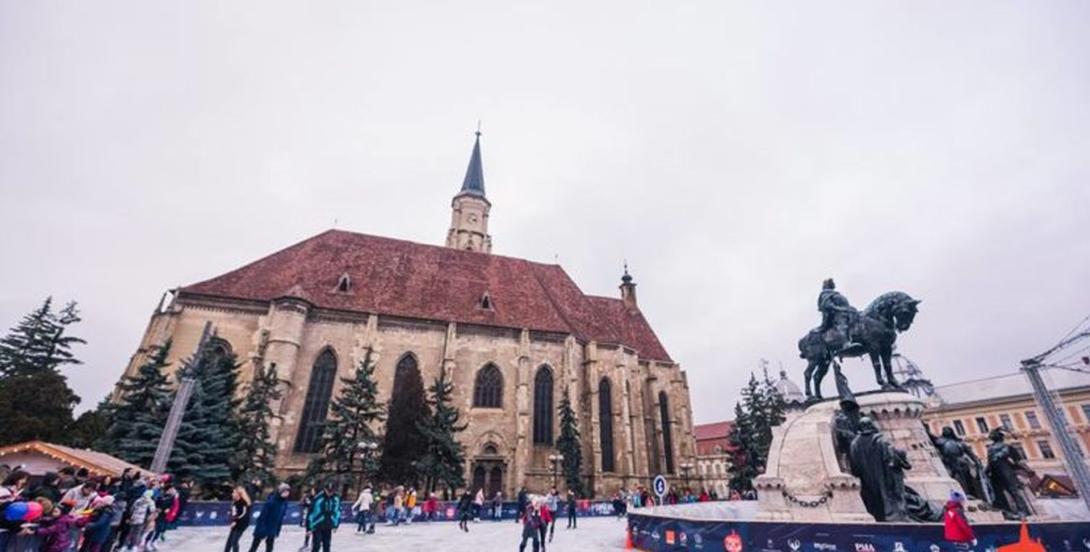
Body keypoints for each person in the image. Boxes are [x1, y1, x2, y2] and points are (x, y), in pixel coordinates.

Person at [249, 483, 290, 552]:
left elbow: (280, 517)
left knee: (270, 546)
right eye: (285, 491)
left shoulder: (284, 503)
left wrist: (277, 529)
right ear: (280, 491)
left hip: (273, 527)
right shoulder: (271, 501)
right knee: (255, 545)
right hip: (263, 526)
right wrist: (261, 529)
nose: (287, 493)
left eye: (288, 492)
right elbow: (263, 516)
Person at [307, 482, 341, 552]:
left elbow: (337, 512)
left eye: (331, 491)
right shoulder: (318, 498)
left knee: (327, 545)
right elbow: (311, 513)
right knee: (316, 545)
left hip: (328, 525)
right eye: (328, 491)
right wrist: (309, 527)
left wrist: (335, 525)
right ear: (324, 489)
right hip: (317, 525)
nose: (329, 493)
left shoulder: (335, 499)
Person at [223, 486, 252, 552]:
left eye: (234, 492)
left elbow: (243, 514)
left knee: (234, 541)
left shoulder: (243, 503)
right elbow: (235, 513)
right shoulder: (235, 502)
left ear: (238, 494)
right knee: (229, 541)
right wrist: (232, 516)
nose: (232, 494)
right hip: (236, 523)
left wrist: (235, 521)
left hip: (242, 524)